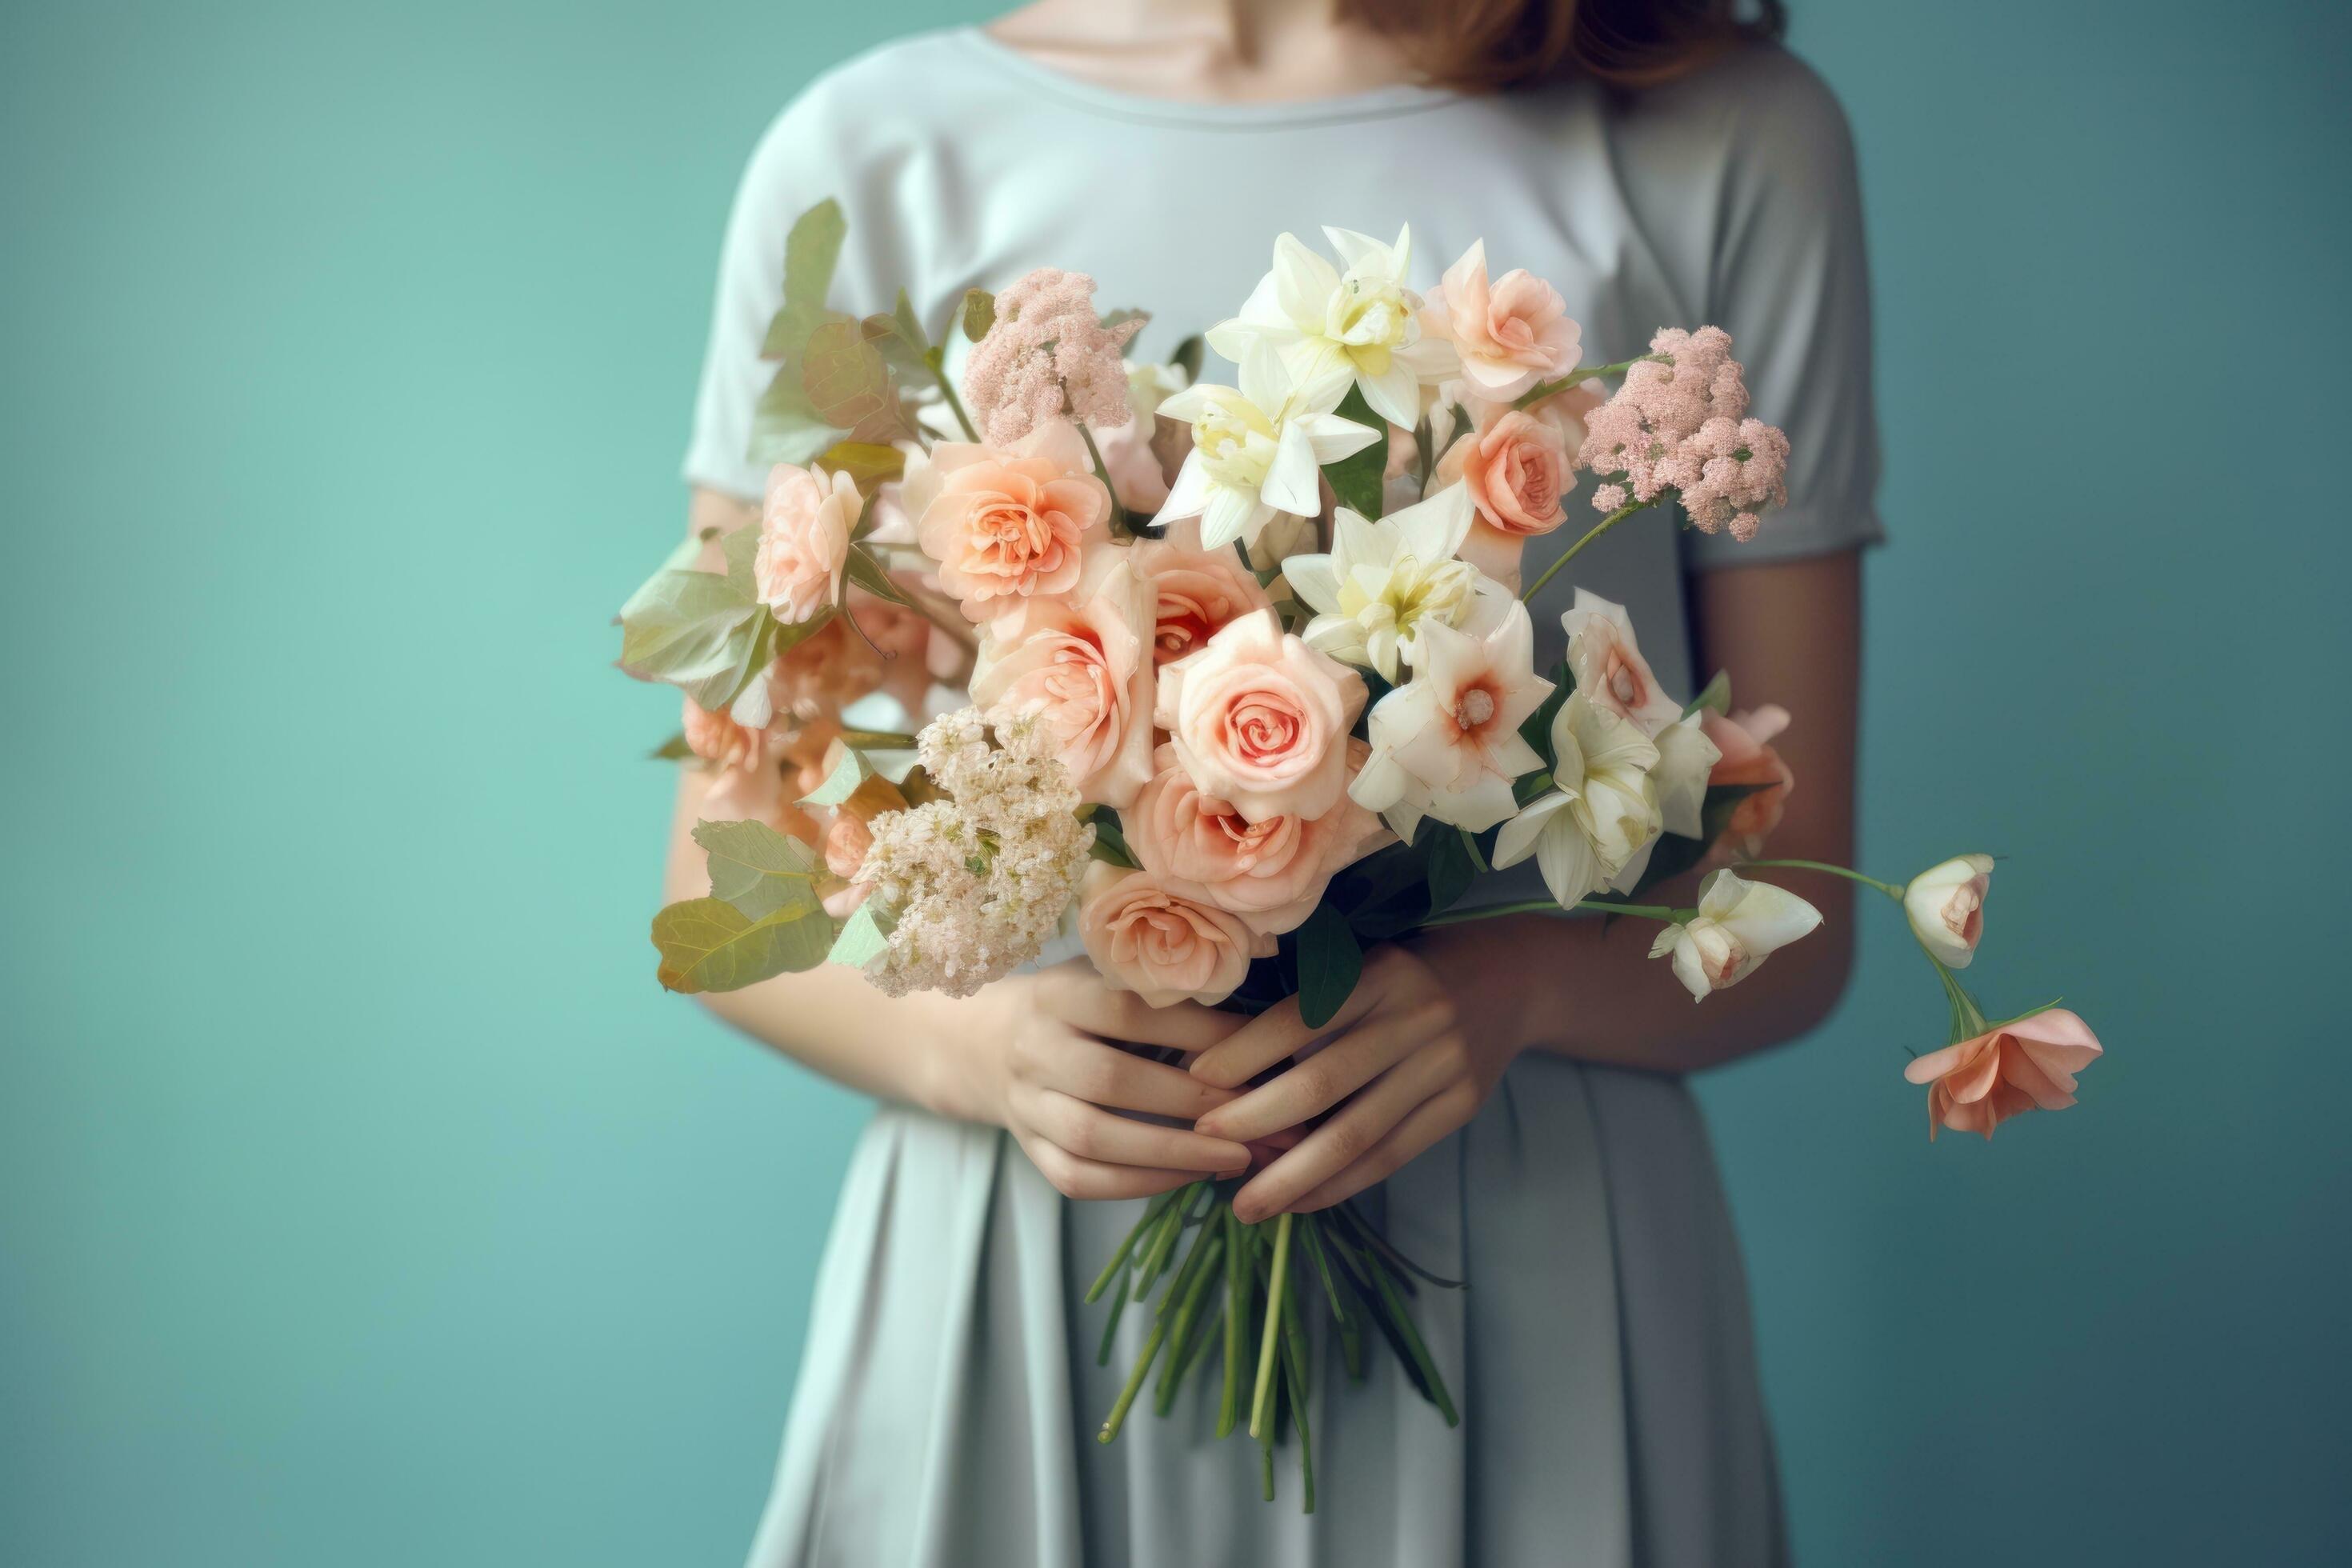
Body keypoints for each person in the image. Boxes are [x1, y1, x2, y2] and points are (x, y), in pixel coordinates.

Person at [668, 2, 1878, 1562]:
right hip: (1033, 1241)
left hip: (1540, 1280)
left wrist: (1510, 989)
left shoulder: (1721, 130)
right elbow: (717, 872)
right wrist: (980, 1047)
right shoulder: (874, 155)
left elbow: (1797, 898)